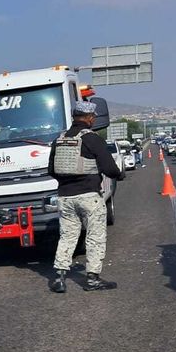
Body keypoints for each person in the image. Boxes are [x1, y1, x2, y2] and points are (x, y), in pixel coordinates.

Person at [47, 101, 125, 292]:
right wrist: (119, 175)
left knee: (67, 236)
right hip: (89, 196)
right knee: (95, 237)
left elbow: (52, 169)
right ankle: (92, 279)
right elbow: (108, 167)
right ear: (89, 118)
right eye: (94, 117)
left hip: (65, 197)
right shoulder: (92, 139)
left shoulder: (60, 139)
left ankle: (59, 277)